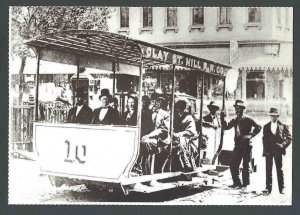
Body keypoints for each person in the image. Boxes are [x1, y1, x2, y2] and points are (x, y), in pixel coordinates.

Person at [220, 100, 261, 189]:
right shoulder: (235, 120)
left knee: (246, 165)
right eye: (236, 109)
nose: (237, 110)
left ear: (243, 109)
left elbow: (259, 127)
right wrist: (222, 118)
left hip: (246, 145)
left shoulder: (248, 119)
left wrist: (251, 135)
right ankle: (237, 183)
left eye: (239, 109)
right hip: (238, 145)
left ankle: (245, 185)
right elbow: (226, 126)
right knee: (233, 165)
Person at [262, 108, 292, 194]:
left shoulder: (283, 126)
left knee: (279, 169)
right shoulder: (266, 126)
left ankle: (281, 188)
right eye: (271, 116)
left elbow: (289, 138)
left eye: (274, 116)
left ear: (277, 116)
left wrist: (282, 145)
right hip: (269, 151)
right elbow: (264, 139)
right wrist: (265, 150)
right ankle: (268, 188)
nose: (272, 118)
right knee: (268, 169)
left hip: (278, 151)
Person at [140, 96, 170, 174]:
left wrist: (148, 135)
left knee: (147, 142)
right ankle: (141, 168)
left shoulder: (165, 114)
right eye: (156, 101)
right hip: (149, 137)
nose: (157, 103)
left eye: (160, 102)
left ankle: (149, 172)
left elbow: (163, 130)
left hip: (162, 140)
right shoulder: (149, 112)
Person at [172, 100, 198, 172]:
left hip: (188, 138)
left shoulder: (188, 118)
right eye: (177, 107)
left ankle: (186, 163)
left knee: (181, 142)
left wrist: (179, 134)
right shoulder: (175, 116)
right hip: (176, 137)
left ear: (184, 108)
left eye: (180, 107)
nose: (178, 109)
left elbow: (191, 131)